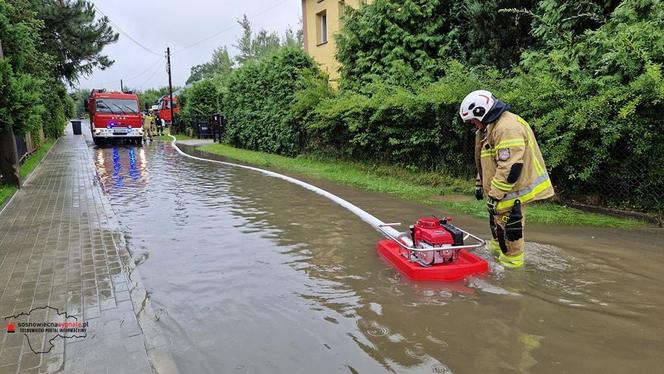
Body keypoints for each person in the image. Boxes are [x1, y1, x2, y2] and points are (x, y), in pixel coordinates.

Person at [459, 90, 554, 268]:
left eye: (473, 119)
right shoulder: (489, 127)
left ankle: (511, 276)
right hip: (501, 191)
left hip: (512, 191)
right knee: (497, 227)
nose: (472, 123)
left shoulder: (506, 128)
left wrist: (494, 194)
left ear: (482, 111)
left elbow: (510, 167)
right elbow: (488, 161)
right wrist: (480, 183)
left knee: (511, 232)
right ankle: (495, 256)